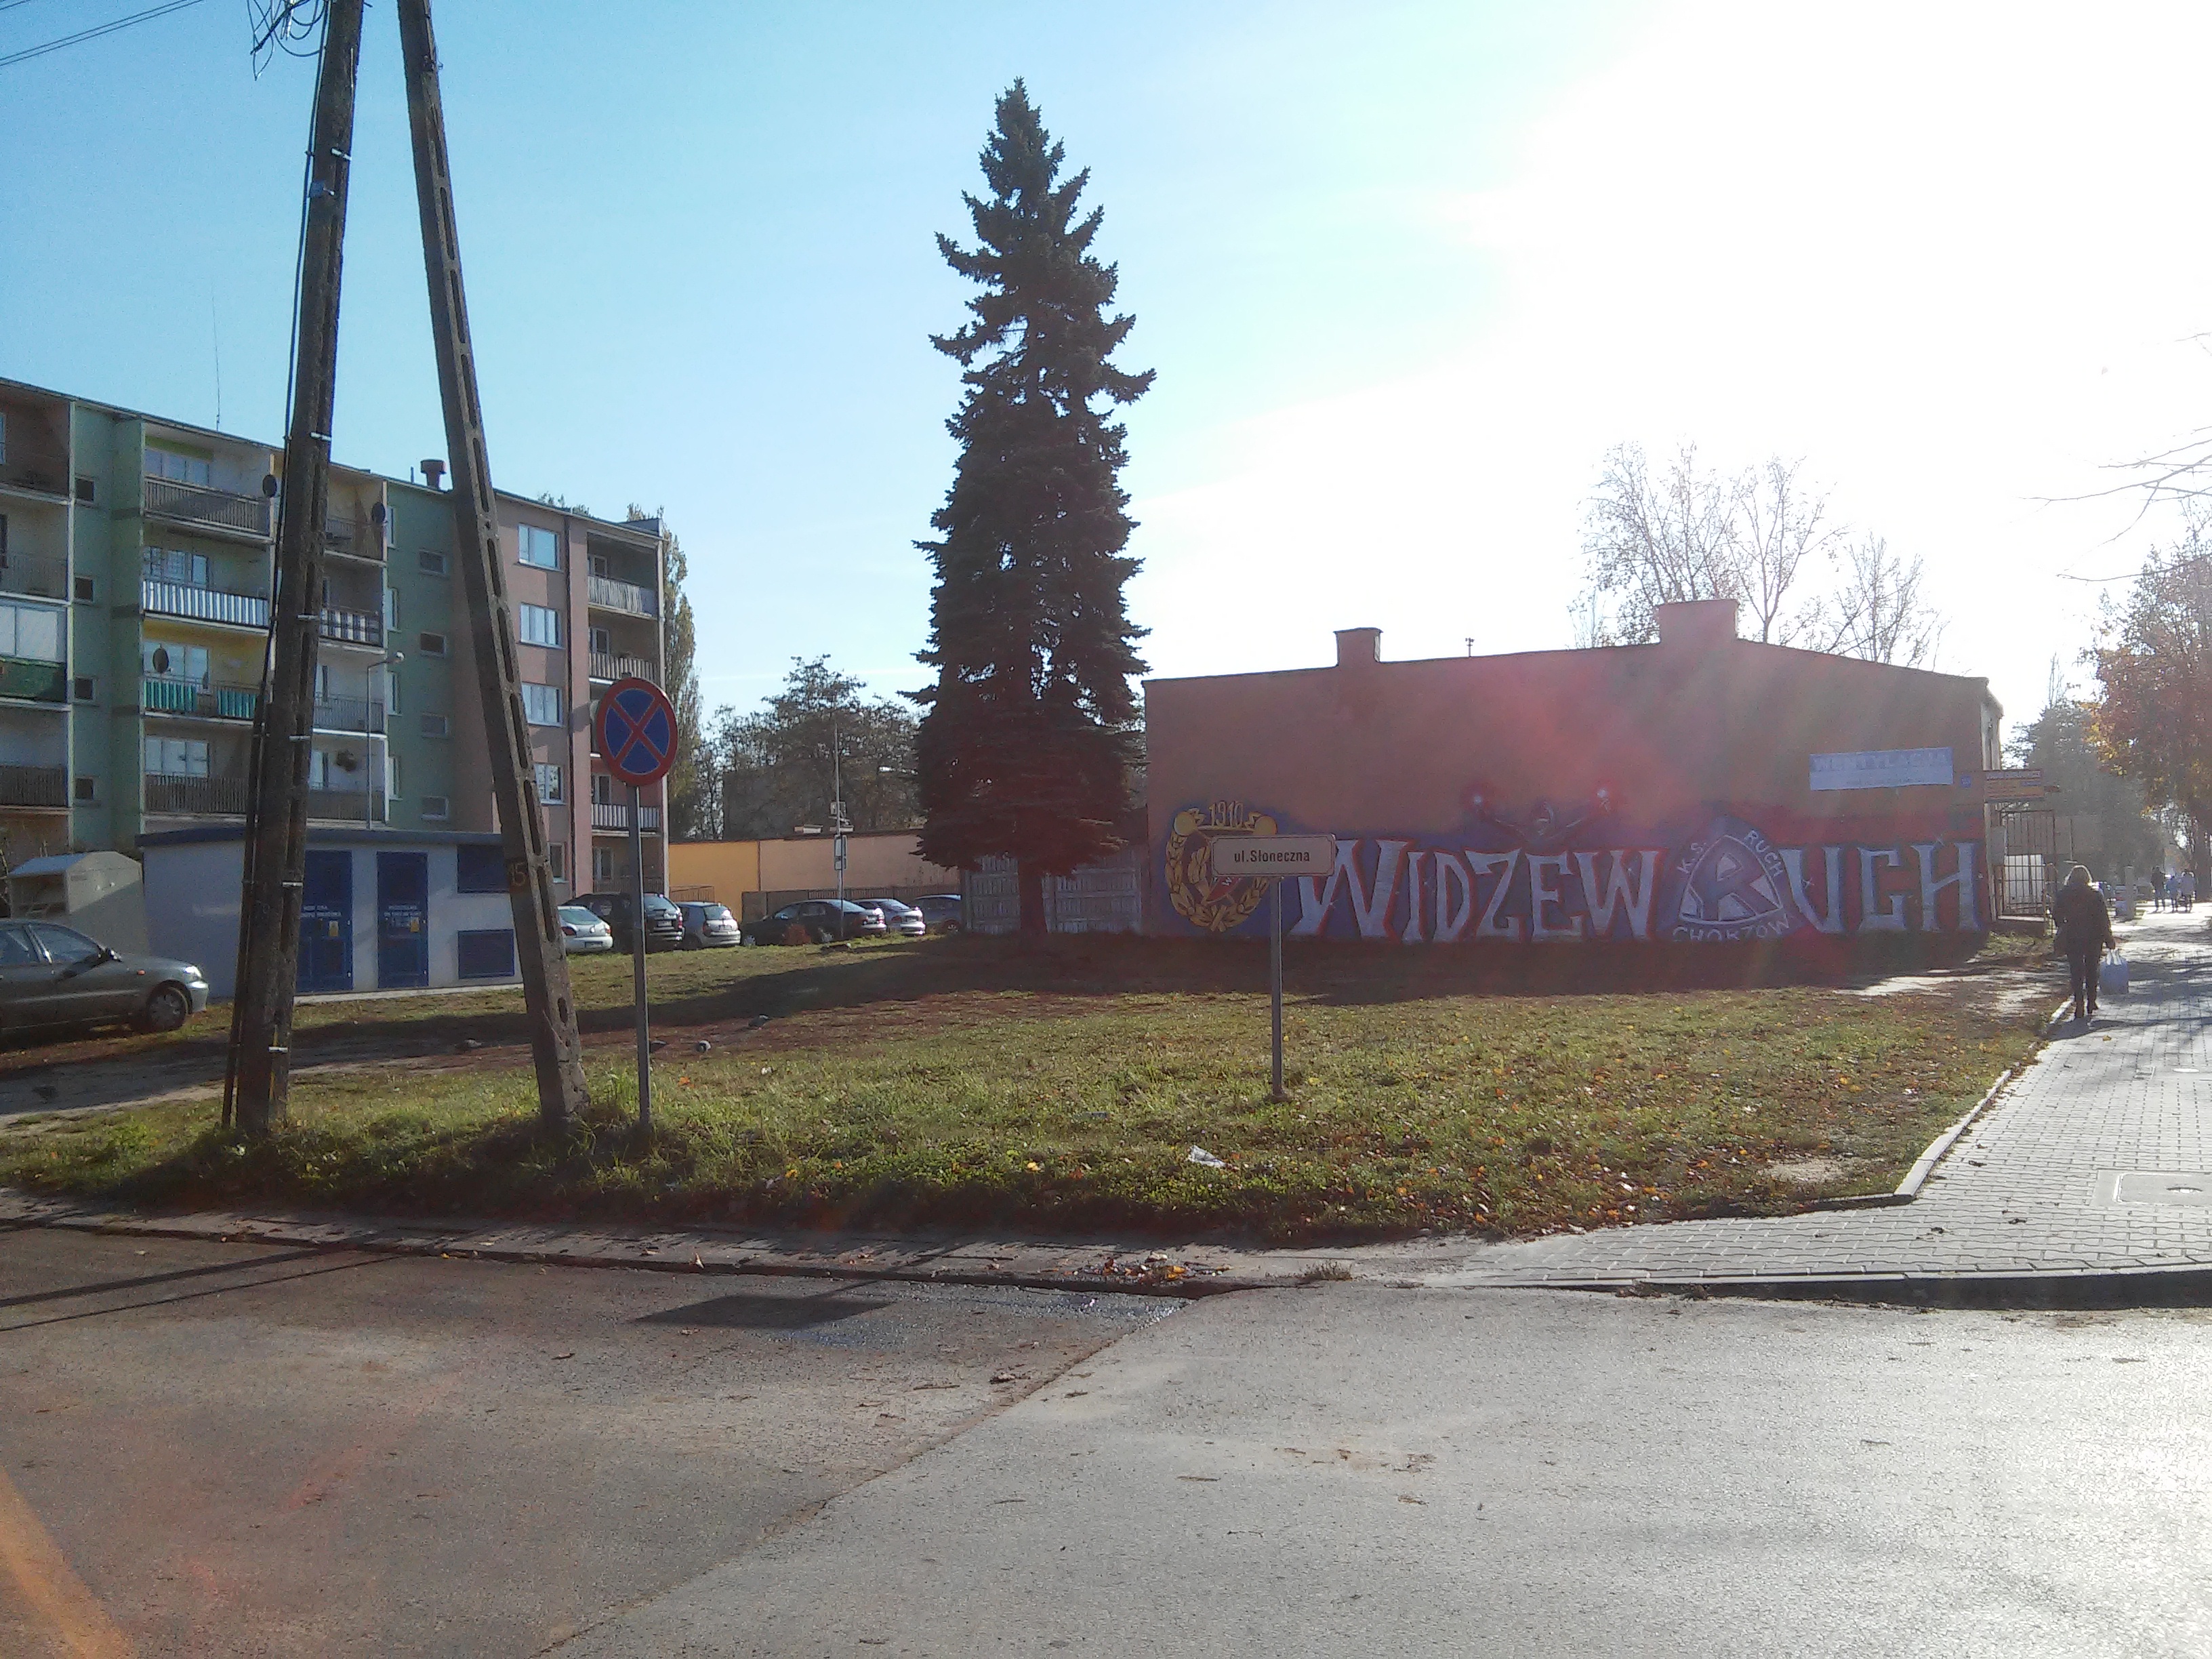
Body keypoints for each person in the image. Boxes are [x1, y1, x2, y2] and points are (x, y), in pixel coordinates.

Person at [2052, 865, 2114, 1022]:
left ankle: (2079, 1002)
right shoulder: (2095, 895)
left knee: (2076, 970)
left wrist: (2063, 926)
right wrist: (2108, 937)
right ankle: (2091, 1001)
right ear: (2087, 878)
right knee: (2092, 969)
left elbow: (2056, 915)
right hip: (2094, 937)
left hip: (2072, 936)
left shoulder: (2063, 894)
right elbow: (2103, 918)